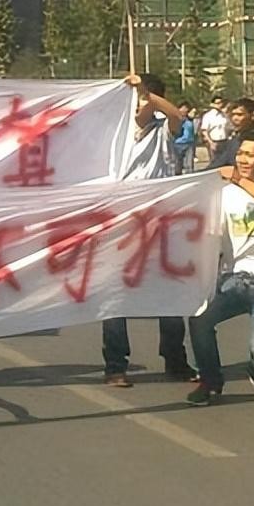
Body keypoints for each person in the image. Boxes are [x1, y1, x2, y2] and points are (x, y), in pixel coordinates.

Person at [186, 130, 254, 405]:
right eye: (240, 153)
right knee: (200, 319)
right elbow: (212, 239)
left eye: (250, 155)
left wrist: (239, 180)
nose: (242, 160)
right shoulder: (224, 195)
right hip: (234, 280)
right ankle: (210, 381)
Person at [105, 74, 197, 386]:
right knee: (115, 296)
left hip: (161, 224)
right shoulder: (115, 133)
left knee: (169, 294)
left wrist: (144, 92)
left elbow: (175, 116)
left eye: (141, 101)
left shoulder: (165, 131)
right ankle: (115, 365)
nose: (136, 107)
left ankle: (175, 359)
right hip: (121, 224)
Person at [207, 97, 254, 171]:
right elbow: (216, 165)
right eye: (232, 115)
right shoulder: (234, 142)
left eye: (239, 114)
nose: (234, 118)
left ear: (253, 115)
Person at [201, 96, 230, 165]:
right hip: (214, 141)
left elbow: (229, 127)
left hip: (225, 141)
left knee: (225, 161)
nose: (220, 105)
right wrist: (211, 143)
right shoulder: (208, 116)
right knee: (215, 162)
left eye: (221, 103)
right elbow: (204, 131)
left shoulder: (224, 115)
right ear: (212, 104)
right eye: (218, 103)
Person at [173, 101, 197, 175]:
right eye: (182, 108)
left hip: (189, 143)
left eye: (186, 108)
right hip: (178, 143)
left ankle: (189, 175)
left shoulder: (190, 119)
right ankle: (177, 176)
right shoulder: (176, 118)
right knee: (177, 163)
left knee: (189, 164)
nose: (184, 110)